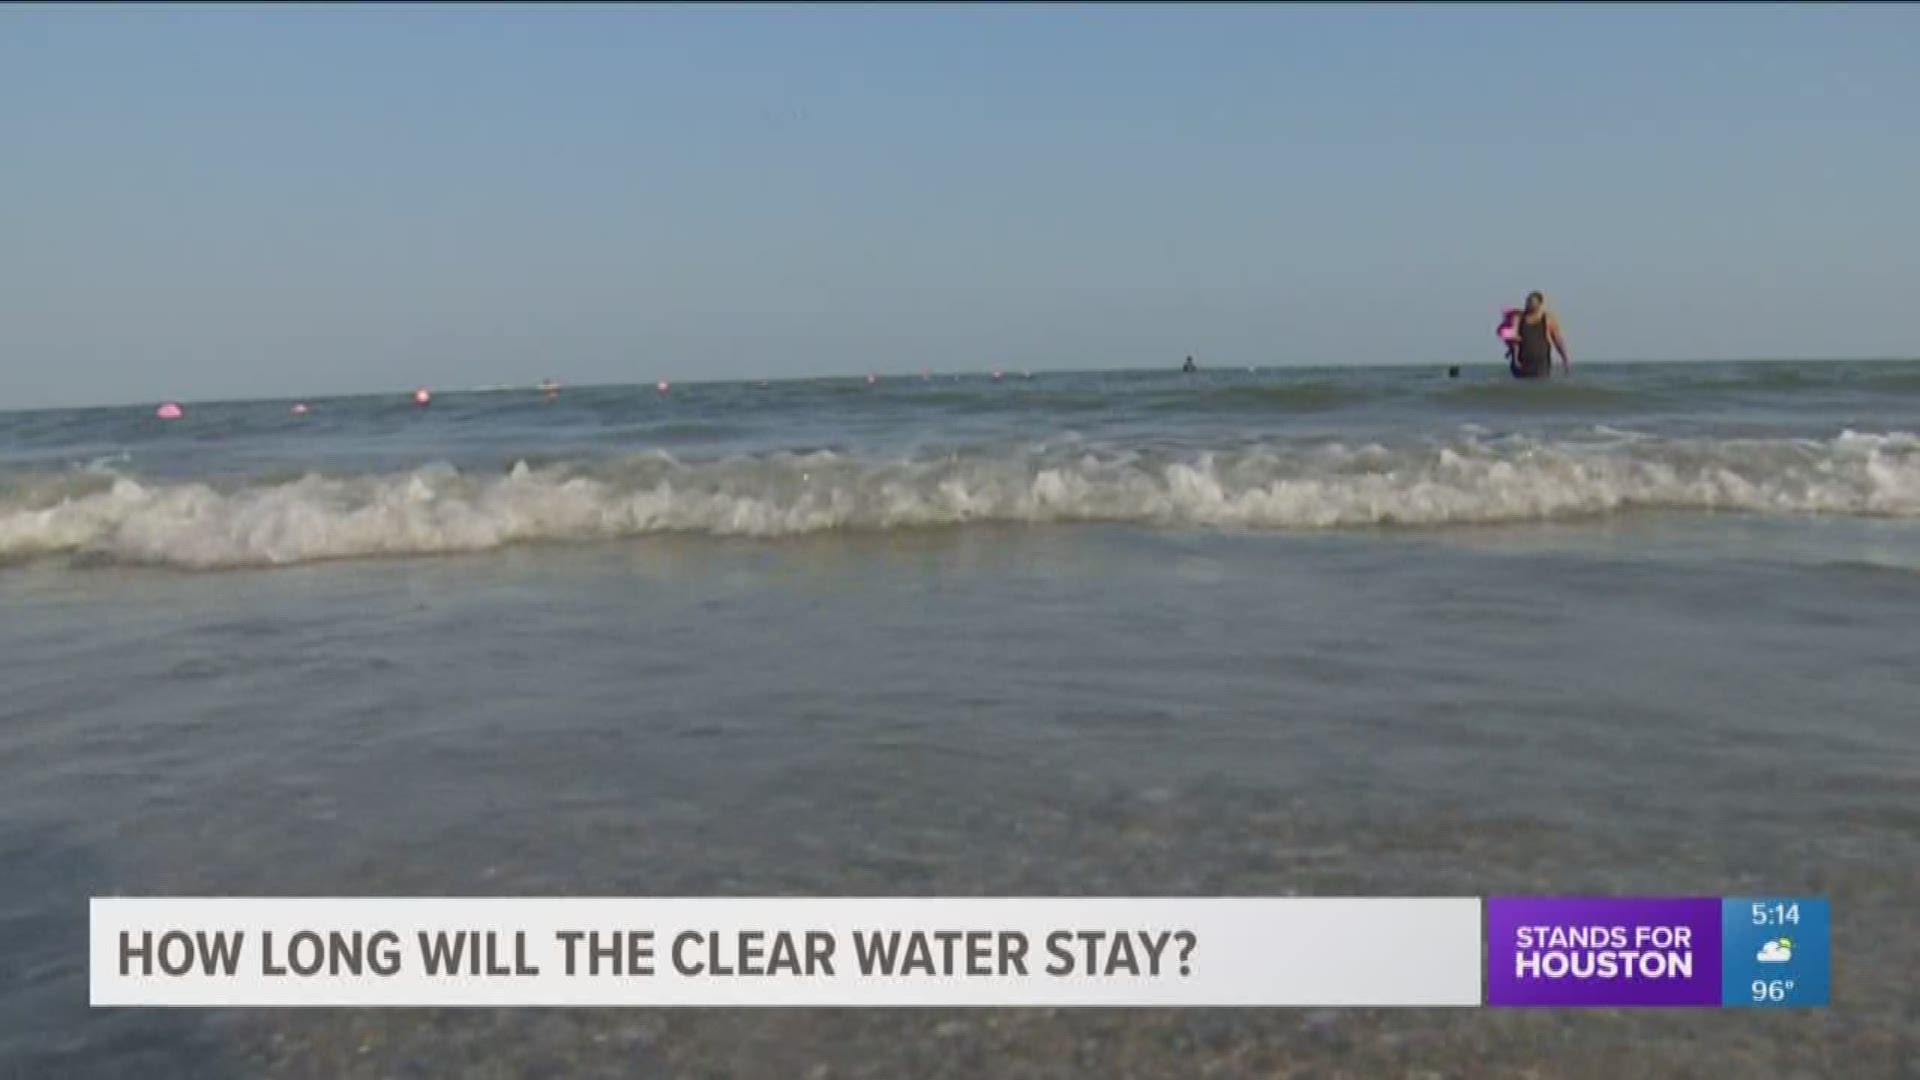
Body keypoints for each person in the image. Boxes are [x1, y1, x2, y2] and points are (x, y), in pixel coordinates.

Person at [1511, 291, 1571, 379]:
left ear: (1540, 304)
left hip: (1541, 362)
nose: (1529, 305)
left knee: (1541, 384)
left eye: (1532, 303)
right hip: (1522, 360)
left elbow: (1557, 340)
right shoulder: (1519, 318)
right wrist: (1515, 359)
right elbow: (1515, 341)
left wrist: (1564, 358)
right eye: (1528, 302)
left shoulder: (1548, 319)